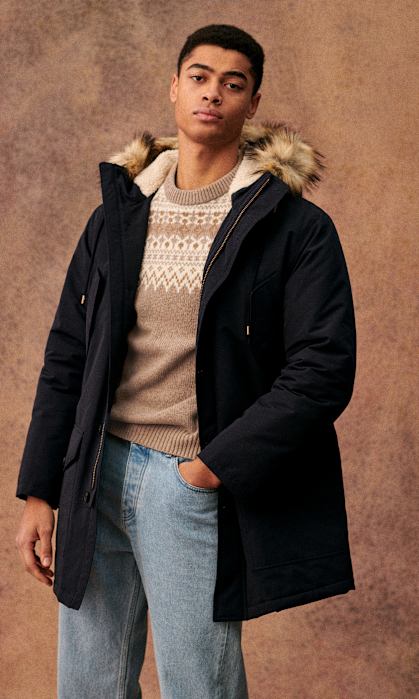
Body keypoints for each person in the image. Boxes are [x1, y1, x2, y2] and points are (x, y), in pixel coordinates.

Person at [15, 23, 357, 699]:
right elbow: (68, 351)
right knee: (87, 686)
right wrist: (40, 490)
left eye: (233, 83)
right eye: (199, 77)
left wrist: (209, 470)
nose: (212, 94)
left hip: (190, 482)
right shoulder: (119, 213)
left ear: (252, 103)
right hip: (95, 475)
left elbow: (322, 368)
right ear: (173, 88)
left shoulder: (292, 226)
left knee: (199, 685)